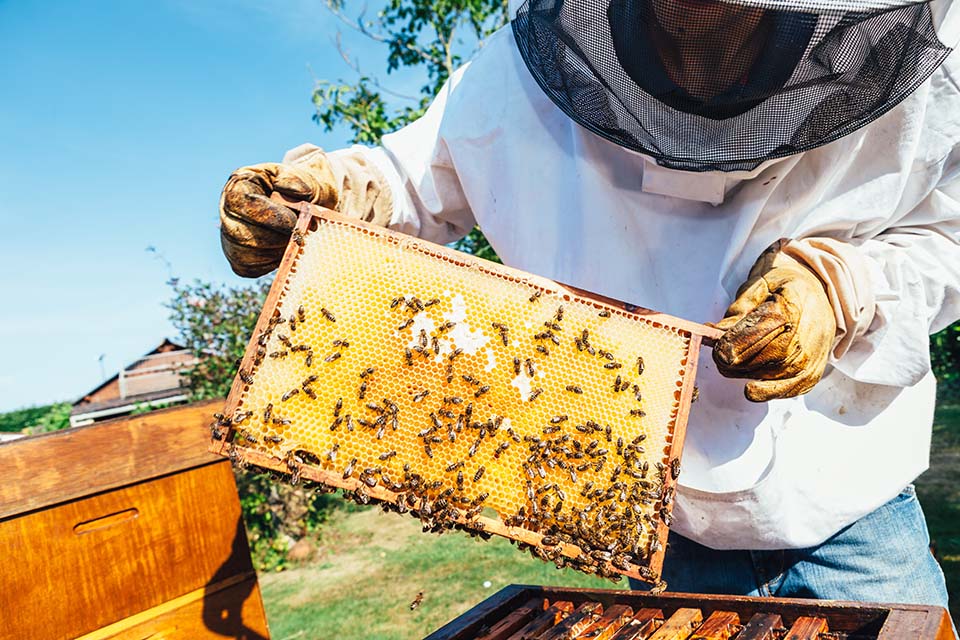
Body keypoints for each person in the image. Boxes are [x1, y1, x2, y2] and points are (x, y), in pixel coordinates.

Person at [219, 0, 959, 611]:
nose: (698, 35)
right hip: (665, 537)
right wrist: (336, 194)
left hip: (851, 515)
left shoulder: (929, 64)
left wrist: (843, 288)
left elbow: (947, 232)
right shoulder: (517, 74)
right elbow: (415, 177)